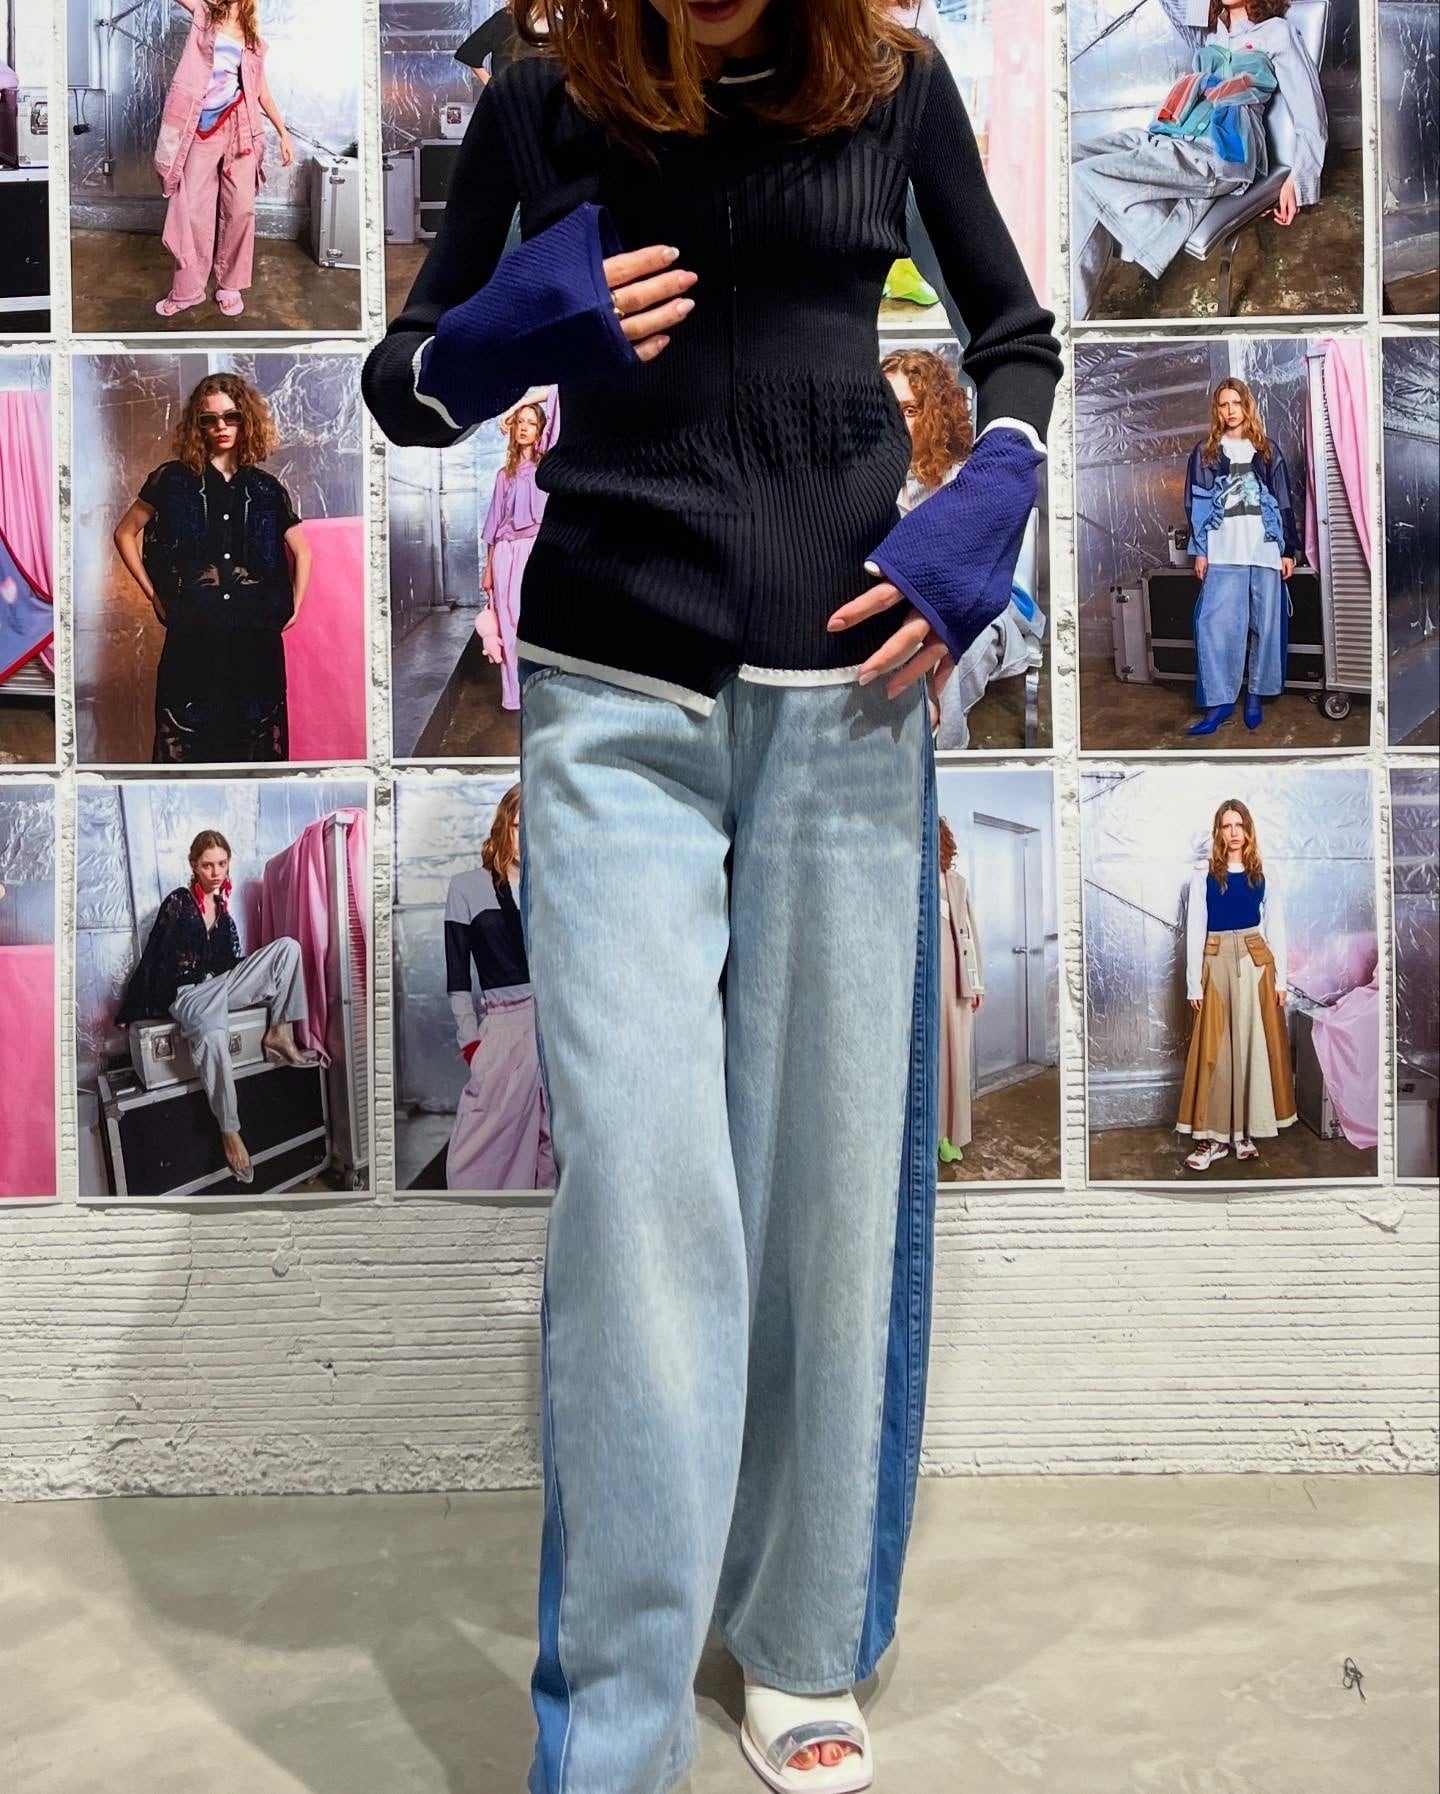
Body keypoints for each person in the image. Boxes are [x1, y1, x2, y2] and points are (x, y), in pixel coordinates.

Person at [363, 1, 1059, 1788]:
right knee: (642, 1197)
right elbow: (404, 380)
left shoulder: (894, 90)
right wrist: (513, 329)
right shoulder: (543, 101)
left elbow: (1016, 340)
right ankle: (612, 1718)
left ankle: (803, 1637)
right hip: (613, 699)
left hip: (851, 698)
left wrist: (994, 485)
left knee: (823, 1180)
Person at [1071, 0, 1327, 319]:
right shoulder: (1209, 33)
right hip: (1169, 136)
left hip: (1221, 152)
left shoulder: (1277, 32)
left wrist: (1299, 179)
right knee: (1067, 162)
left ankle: (1072, 321)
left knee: (1082, 179)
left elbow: (1310, 112)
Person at [112, 373, 311, 765]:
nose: (221, 426)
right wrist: (154, 594)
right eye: (210, 419)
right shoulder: (171, 479)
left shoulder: (267, 489)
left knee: (253, 743)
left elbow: (303, 552)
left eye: (231, 416)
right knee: (186, 742)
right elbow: (125, 533)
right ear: (197, 425)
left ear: (245, 420)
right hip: (194, 639)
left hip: (255, 643)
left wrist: (295, 607)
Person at [116, 829, 314, 1184]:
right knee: (212, 1032)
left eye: (222, 864)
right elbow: (154, 954)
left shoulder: (224, 912)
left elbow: (230, 963)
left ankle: (280, 1032)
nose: (216, 872)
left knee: (287, 948)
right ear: (194, 865)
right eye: (208, 865)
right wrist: (130, 1009)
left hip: (220, 985)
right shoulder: (178, 902)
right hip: (189, 994)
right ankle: (229, 1128)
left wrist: (252, 975)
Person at [883, 347, 1046, 750]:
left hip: (987, 601)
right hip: (903, 604)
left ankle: (941, 747)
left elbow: (980, 578)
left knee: (956, 644)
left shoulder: (968, 479)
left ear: (935, 413)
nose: (897, 423)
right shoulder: (873, 482)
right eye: (888, 409)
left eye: (910, 410)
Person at [443, 784, 555, 1190]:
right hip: (504, 1030)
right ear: (505, 824)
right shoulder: (466, 887)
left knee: (553, 1153)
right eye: (520, 826)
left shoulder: (554, 887)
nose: (527, 837)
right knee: (474, 1162)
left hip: (556, 1028)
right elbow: (458, 979)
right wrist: (472, 1045)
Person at [153, 0, 294, 319]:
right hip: (200, 127)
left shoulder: (254, 43)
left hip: (241, 128)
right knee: (192, 210)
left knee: (240, 209)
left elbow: (262, 93)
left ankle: (230, 286)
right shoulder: (204, 14)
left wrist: (283, 134)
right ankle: (188, 290)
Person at [1176, 799, 1297, 1171]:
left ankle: (1245, 1133)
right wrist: (1194, 984)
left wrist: (1281, 979)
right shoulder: (1203, 875)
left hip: (1254, 961)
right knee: (1217, 1050)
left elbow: (1275, 926)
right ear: (1218, 831)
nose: (1233, 832)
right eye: (1226, 826)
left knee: (1250, 1046)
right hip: (1216, 961)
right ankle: (1213, 1138)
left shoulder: (1264, 873)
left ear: (1248, 829)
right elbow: (1196, 927)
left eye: (1238, 825)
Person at [1184, 377, 1299, 736]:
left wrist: (1288, 550)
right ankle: (1219, 702)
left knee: (1265, 625)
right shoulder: (1206, 452)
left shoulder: (1266, 450)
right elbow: (1195, 505)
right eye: (1224, 404)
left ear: (1246, 406)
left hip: (1263, 549)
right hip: (1224, 550)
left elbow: (1283, 501)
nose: (1231, 411)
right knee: (1215, 626)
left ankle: (1255, 695)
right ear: (1216, 410)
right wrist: (1200, 551)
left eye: (1236, 403)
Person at [477, 393, 557, 712]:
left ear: (540, 430)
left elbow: (556, 392)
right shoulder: (504, 475)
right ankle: (515, 696)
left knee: (535, 621)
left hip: (535, 549)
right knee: (507, 623)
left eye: (531, 423)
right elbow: (493, 527)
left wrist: (512, 407)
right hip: (504, 555)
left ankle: (542, 693)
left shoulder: (547, 464)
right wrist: (488, 569)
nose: (524, 427)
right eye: (519, 422)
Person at [937, 815, 983, 1164]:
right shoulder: (908, 878)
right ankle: (930, 1133)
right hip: (926, 979)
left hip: (956, 981)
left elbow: (969, 935)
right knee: (932, 1058)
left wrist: (976, 983)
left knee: (955, 1059)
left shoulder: (956, 883)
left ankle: (949, 1136)